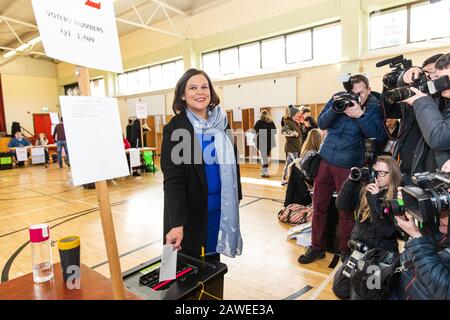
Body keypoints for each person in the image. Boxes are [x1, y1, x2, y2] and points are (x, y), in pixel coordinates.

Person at [299, 74, 386, 264]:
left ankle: (346, 250)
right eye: (352, 93)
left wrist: (360, 116)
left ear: (368, 90)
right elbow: (322, 123)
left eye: (360, 93)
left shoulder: (374, 106)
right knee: (319, 206)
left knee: (346, 211)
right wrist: (336, 108)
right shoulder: (339, 97)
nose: (355, 97)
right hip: (325, 160)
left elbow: (379, 138)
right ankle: (316, 247)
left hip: (349, 165)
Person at [161, 68, 243, 260]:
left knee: (214, 267)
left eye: (204, 87)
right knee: (190, 274)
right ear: (182, 94)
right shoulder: (176, 128)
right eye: (193, 88)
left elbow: (234, 161)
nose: (200, 92)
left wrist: (236, 194)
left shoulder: (221, 122)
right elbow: (173, 180)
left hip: (220, 211)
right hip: (191, 216)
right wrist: (177, 223)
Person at [332, 155, 401, 299]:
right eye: (375, 172)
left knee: (365, 296)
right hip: (359, 252)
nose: (377, 176)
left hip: (378, 258)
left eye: (382, 173)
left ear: (392, 175)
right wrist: (351, 180)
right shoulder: (366, 190)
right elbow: (341, 204)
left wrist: (374, 200)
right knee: (340, 289)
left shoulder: (396, 200)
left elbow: (386, 231)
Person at [390, 161, 450, 300]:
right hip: (402, 286)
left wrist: (417, 237)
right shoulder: (439, 207)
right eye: (442, 175)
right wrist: (411, 208)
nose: (443, 188)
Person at [384, 53, 443, 183]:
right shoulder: (416, 97)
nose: (428, 77)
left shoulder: (442, 102)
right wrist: (400, 80)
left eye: (433, 73)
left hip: (424, 171)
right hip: (403, 165)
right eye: (425, 73)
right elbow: (390, 111)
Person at [400, 53, 450, 173]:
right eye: (437, 78)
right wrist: (406, 75)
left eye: (446, 79)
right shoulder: (443, 99)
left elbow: (439, 137)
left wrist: (421, 102)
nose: (439, 83)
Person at [284, 128, 322, 207]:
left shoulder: (307, 150)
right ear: (318, 139)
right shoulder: (315, 155)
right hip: (306, 183)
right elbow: (311, 175)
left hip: (301, 181)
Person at [281, 105, 303, 185]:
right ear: (294, 114)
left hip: (295, 147)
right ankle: (298, 181)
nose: (299, 115)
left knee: (288, 164)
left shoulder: (295, 123)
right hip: (292, 148)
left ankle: (283, 180)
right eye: (298, 113)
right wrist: (294, 133)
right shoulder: (288, 122)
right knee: (297, 164)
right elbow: (283, 131)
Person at [254, 110, 276, 178]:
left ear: (261, 115)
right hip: (269, 142)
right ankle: (264, 171)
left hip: (261, 142)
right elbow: (275, 131)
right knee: (265, 157)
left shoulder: (258, 122)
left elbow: (255, 131)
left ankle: (265, 172)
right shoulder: (271, 122)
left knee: (264, 158)